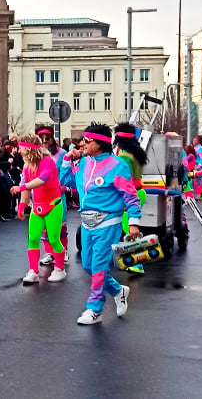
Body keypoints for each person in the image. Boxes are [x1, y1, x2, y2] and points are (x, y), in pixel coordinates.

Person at [60, 124, 140, 325]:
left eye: (87, 141)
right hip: (86, 222)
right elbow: (66, 181)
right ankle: (117, 290)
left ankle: (95, 309)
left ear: (100, 143)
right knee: (88, 265)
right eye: (83, 140)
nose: (83, 144)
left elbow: (131, 197)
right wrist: (66, 161)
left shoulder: (117, 165)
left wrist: (133, 223)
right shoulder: (85, 163)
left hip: (108, 221)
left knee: (97, 266)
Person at [13, 135, 67, 284]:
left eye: (21, 147)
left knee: (54, 239)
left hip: (53, 206)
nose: (19, 151)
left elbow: (42, 179)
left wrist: (22, 188)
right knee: (33, 238)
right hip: (37, 207)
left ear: (29, 148)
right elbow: (26, 183)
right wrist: (22, 205)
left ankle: (60, 269)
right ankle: (33, 271)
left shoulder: (47, 161)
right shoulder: (27, 165)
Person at [113, 122, 149, 275]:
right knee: (128, 228)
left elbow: (124, 181)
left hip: (130, 194)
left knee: (130, 230)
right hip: (139, 192)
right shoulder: (136, 151)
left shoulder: (124, 156)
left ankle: (137, 263)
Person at [35, 125, 69, 267]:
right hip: (40, 195)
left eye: (47, 138)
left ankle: (63, 251)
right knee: (44, 228)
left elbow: (65, 171)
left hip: (56, 196)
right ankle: (50, 253)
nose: (44, 141)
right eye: (41, 139)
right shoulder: (35, 154)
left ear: (52, 139)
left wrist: (64, 186)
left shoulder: (61, 153)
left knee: (60, 226)